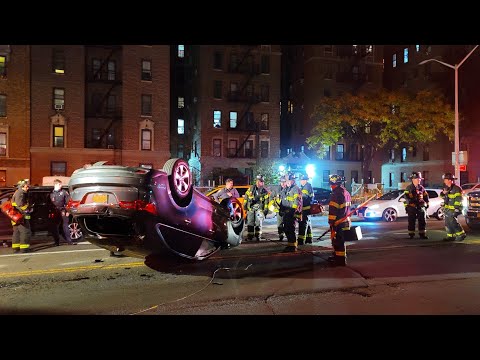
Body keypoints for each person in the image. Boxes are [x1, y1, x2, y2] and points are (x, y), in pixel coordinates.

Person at [327, 174, 351, 266]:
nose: (330, 186)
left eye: (331, 184)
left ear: (334, 184)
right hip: (345, 221)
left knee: (338, 241)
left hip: (338, 222)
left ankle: (340, 260)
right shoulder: (346, 192)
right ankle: (337, 257)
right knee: (339, 241)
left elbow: (333, 210)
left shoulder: (336, 194)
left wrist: (332, 222)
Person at [403, 172, 429, 239]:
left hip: (420, 206)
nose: (419, 180)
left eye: (419, 179)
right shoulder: (408, 188)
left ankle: (422, 234)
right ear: (413, 179)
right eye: (417, 178)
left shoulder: (421, 188)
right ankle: (411, 234)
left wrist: (427, 203)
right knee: (411, 221)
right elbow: (406, 197)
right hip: (412, 207)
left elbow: (426, 196)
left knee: (422, 220)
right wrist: (410, 203)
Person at [280, 173, 302, 252]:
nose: (288, 182)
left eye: (289, 180)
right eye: (287, 180)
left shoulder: (296, 189)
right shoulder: (286, 189)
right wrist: (281, 209)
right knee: (286, 228)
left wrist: (292, 211)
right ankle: (290, 245)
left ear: (293, 180)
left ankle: (293, 246)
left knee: (291, 229)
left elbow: (297, 202)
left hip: (292, 213)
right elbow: (282, 200)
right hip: (286, 213)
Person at [441, 172, 466, 241]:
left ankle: (461, 235)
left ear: (450, 180)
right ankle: (451, 236)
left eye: (445, 179)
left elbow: (458, 199)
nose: (444, 181)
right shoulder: (447, 188)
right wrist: (443, 193)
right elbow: (443, 197)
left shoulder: (457, 189)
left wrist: (456, 208)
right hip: (447, 209)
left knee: (453, 222)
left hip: (454, 209)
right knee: (447, 223)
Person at [50, 179, 76, 246]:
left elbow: (69, 202)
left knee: (65, 226)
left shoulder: (64, 192)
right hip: (55, 212)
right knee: (54, 227)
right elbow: (49, 204)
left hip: (63, 211)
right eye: (59, 184)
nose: (61, 186)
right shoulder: (51, 193)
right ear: (56, 185)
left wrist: (68, 211)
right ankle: (57, 242)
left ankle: (69, 241)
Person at [244, 174, 270, 242]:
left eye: (261, 181)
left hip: (259, 209)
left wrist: (265, 210)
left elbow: (267, 202)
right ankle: (250, 236)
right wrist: (245, 206)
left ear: (263, 182)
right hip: (251, 208)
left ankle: (258, 236)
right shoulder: (251, 188)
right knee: (250, 222)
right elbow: (246, 197)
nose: (259, 183)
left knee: (258, 223)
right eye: (258, 181)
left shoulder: (264, 191)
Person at [11, 179, 32, 253]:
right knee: (25, 232)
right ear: (22, 186)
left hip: (15, 217)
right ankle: (24, 248)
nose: (27, 188)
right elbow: (20, 205)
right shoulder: (20, 193)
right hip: (21, 216)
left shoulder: (16, 192)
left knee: (16, 232)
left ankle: (15, 248)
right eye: (26, 187)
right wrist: (28, 210)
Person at [268, 175, 287, 241]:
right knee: (279, 223)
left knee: (287, 223)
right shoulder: (276, 190)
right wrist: (273, 205)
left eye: (284, 182)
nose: (283, 183)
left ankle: (287, 234)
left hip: (287, 209)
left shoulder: (288, 189)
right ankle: (281, 235)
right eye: (282, 182)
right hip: (278, 209)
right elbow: (271, 197)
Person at [298, 173, 314, 245]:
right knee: (307, 223)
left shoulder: (306, 187)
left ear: (305, 180)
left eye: (302, 180)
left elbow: (303, 197)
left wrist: (297, 197)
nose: (300, 181)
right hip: (307, 208)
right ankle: (309, 239)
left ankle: (301, 240)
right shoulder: (306, 186)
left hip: (305, 208)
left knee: (303, 224)